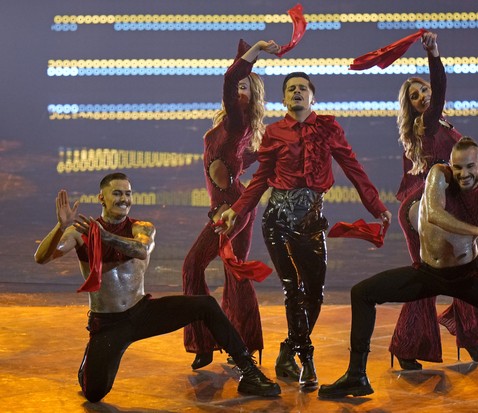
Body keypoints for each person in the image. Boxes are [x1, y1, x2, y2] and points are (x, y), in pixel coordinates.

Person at [319, 137, 478, 399]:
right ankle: (357, 376)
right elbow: (433, 213)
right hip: (428, 274)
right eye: (458, 167)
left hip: (466, 276)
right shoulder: (439, 175)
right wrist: (476, 230)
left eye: (469, 167)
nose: (463, 173)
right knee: (362, 292)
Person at [34, 172, 281, 402]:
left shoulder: (141, 228)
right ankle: (91, 361)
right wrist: (60, 227)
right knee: (94, 393)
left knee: (205, 304)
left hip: (142, 313)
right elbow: (42, 258)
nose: (124, 199)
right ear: (102, 197)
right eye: (117, 193)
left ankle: (249, 372)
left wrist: (104, 236)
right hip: (109, 323)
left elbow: (140, 250)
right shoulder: (81, 233)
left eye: (128, 194)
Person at [217, 72, 392, 388]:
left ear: (313, 97)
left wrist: (376, 207)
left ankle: (287, 350)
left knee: (314, 293)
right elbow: (260, 180)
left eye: (302, 88)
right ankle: (306, 359)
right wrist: (236, 209)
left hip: (311, 221)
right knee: (292, 289)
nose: (296, 92)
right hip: (278, 220)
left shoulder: (328, 128)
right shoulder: (273, 132)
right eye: (290, 89)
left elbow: (354, 169)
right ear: (284, 99)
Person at [390, 31, 478, 370]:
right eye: (414, 96)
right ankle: (406, 345)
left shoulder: (441, 124)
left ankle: (470, 337)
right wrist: (434, 54)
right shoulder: (426, 124)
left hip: (442, 208)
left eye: (424, 91)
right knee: (427, 278)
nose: (421, 97)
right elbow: (442, 85)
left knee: (465, 270)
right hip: (423, 211)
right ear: (412, 106)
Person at [182, 39, 280, 370]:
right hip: (227, 208)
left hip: (234, 211)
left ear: (252, 96)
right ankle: (216, 341)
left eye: (245, 87)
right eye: (236, 85)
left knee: (217, 269)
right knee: (217, 269)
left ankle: (236, 344)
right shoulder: (230, 128)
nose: (238, 90)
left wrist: (254, 53)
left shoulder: (238, 123)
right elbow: (246, 158)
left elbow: (228, 79)